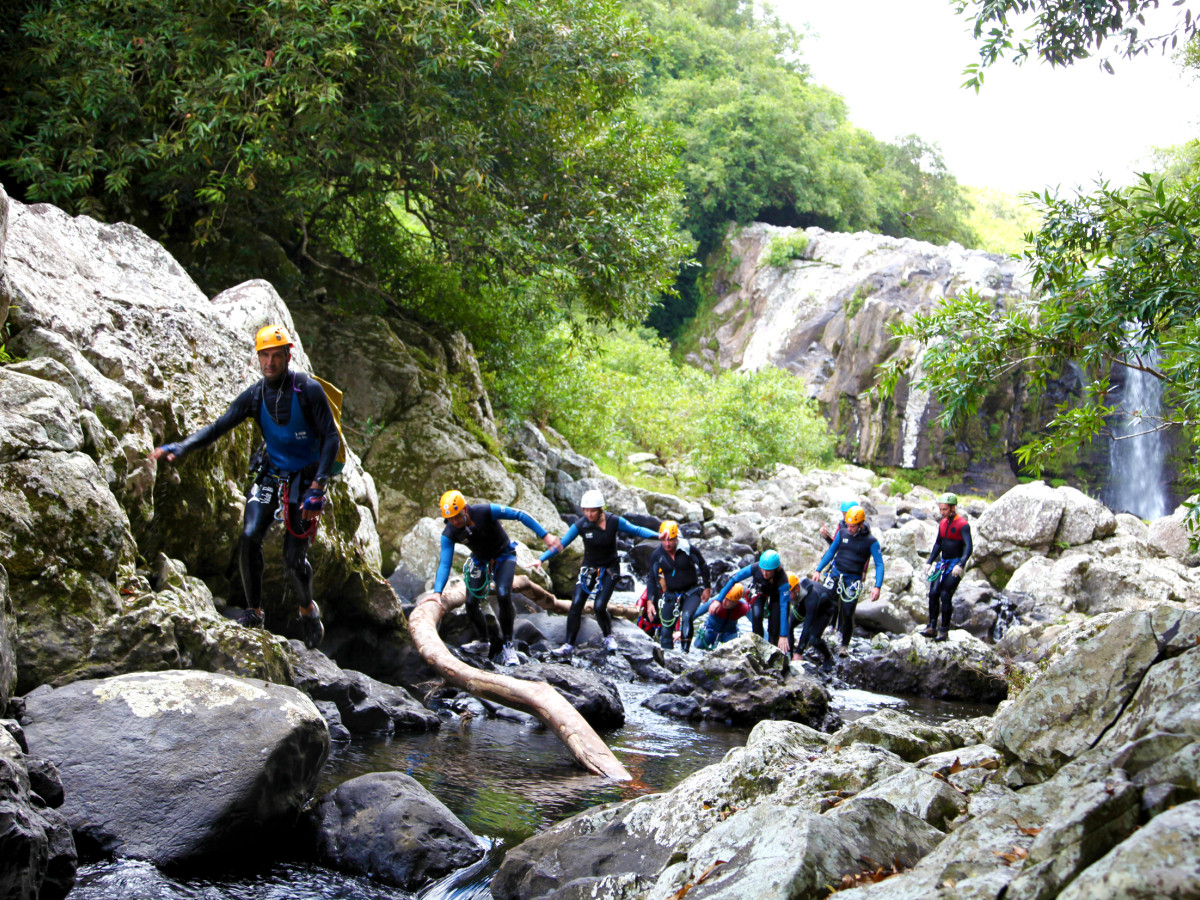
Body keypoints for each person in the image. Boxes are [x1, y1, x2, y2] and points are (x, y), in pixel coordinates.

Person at [150, 323, 334, 648]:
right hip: (271, 471)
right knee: (249, 536)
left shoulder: (307, 390)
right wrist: (181, 446)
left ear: (288, 355)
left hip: (306, 478)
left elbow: (331, 438)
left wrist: (318, 485)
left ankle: (307, 608)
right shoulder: (255, 396)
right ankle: (254, 611)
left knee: (293, 560)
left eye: (277, 356)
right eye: (265, 356)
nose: (270, 363)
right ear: (258, 357)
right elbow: (218, 427)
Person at [431, 490, 563, 666]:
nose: (454, 522)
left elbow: (519, 515)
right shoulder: (450, 533)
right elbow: (445, 564)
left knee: (502, 593)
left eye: (457, 517)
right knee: (470, 602)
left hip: (504, 555)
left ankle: (509, 646)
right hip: (480, 561)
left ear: (465, 510)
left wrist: (545, 536)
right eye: (450, 519)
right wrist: (437, 592)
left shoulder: (484, 511)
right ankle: (483, 642)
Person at [540, 490, 658, 656]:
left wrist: (660, 536)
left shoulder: (614, 521)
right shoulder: (581, 525)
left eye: (592, 510)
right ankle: (568, 645)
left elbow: (637, 530)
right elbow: (561, 545)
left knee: (599, 606)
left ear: (601, 509)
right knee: (576, 605)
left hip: (610, 568)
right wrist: (540, 559)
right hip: (589, 568)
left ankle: (608, 636)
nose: (589, 514)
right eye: (586, 510)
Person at [811, 506, 884, 657]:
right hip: (836, 574)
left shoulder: (871, 542)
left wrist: (877, 586)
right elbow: (831, 551)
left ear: (861, 525)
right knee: (823, 603)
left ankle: (844, 644)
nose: (849, 529)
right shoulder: (843, 533)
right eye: (848, 525)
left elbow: (879, 564)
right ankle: (815, 636)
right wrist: (818, 569)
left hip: (853, 580)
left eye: (852, 526)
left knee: (848, 612)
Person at [645, 521, 711, 653]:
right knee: (665, 628)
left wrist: (707, 587)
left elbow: (703, 565)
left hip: (691, 592)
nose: (667, 544)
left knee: (687, 616)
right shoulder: (657, 555)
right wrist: (650, 602)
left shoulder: (688, 549)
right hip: (671, 594)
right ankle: (666, 656)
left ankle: (685, 653)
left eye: (670, 540)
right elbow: (652, 578)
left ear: (676, 538)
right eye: (664, 540)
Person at [712, 550, 792, 654]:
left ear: (775, 569)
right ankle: (758, 647)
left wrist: (783, 635)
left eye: (768, 571)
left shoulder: (783, 581)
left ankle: (773, 650)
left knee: (774, 627)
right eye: (763, 570)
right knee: (757, 615)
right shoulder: (755, 568)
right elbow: (733, 579)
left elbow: (784, 607)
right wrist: (718, 600)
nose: (764, 573)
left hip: (776, 596)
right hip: (760, 591)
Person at [923, 492, 973, 642]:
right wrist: (929, 561)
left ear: (953, 508)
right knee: (933, 592)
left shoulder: (963, 525)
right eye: (940, 509)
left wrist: (961, 564)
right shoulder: (943, 523)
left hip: (956, 563)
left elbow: (969, 547)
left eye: (944, 509)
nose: (942, 512)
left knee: (945, 594)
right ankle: (932, 626)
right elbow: (938, 544)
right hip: (944, 562)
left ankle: (944, 631)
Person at [788, 576, 836, 667]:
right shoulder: (794, 591)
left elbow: (807, 626)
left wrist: (799, 652)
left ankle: (828, 656)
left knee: (813, 639)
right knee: (788, 625)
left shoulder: (812, 596)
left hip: (825, 609)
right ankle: (789, 655)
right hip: (803, 604)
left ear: (796, 589)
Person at [695, 583, 751, 650]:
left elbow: (758, 624)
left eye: (729, 600)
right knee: (698, 646)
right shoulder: (716, 601)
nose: (724, 602)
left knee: (734, 649)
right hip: (710, 629)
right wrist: (681, 631)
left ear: (736, 602)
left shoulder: (744, 607)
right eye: (725, 598)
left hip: (729, 633)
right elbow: (695, 614)